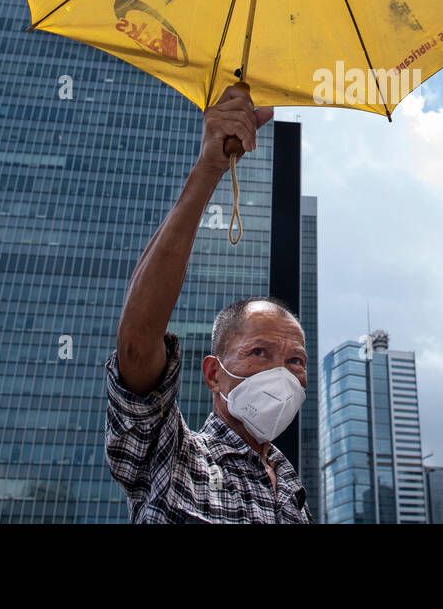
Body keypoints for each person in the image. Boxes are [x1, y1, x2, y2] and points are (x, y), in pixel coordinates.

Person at [104, 84, 313, 523]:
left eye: (296, 360)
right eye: (259, 352)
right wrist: (210, 167)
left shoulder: (294, 496)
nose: (283, 372)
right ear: (214, 373)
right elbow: (138, 344)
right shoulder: (170, 459)